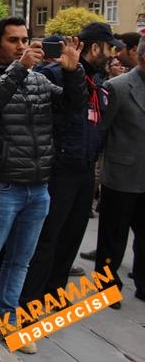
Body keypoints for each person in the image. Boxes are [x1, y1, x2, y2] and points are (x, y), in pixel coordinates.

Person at [0, 17, 86, 360]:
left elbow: (74, 108)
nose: (21, 45)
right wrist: (18, 69)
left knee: (20, 262)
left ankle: (7, 322)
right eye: (13, 40)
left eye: (25, 40)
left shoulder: (38, 80)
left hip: (37, 187)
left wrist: (74, 74)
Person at [20, 23, 120, 308]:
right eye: (109, 47)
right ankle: (30, 301)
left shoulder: (99, 82)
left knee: (72, 236)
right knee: (48, 237)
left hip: (84, 169)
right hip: (58, 167)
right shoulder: (56, 73)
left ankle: (54, 293)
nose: (112, 55)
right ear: (95, 47)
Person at [94, 35, 145, 305]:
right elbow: (102, 130)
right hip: (122, 175)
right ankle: (107, 285)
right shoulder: (118, 87)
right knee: (113, 237)